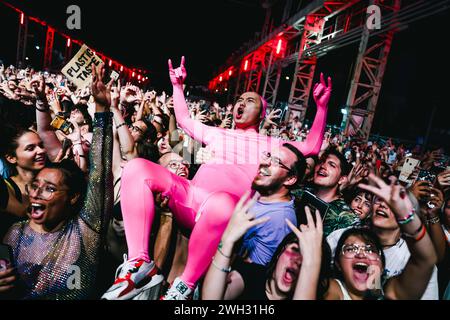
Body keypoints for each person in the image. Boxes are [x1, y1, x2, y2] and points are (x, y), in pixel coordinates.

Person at [102, 57, 332, 300]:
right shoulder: (219, 133)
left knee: (223, 203)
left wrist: (322, 108)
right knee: (137, 168)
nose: (241, 103)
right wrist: (178, 87)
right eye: (239, 100)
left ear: (262, 113)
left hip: (219, 213)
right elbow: (184, 121)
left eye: (250, 100)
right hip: (189, 197)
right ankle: (139, 264)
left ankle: (183, 287)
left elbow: (311, 146)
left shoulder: (273, 145)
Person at [0, 64, 114, 299]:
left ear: (72, 197)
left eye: (50, 189)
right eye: (36, 186)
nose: (37, 193)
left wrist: (102, 110)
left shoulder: (85, 229)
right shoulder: (15, 233)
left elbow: (99, 174)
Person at [202, 192, 330, 300]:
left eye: (306, 258)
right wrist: (227, 242)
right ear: (280, 253)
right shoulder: (253, 274)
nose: (298, 261)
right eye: (295, 250)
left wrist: (311, 264)